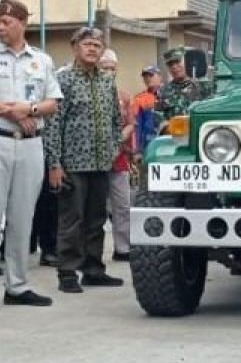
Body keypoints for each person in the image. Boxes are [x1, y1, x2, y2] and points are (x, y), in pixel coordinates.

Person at [0, 0, 62, 312]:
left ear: (23, 23)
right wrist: (14, 112)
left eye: (7, 22)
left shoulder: (41, 60)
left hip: (31, 144)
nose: (0, 27)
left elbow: (52, 102)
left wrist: (30, 110)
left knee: (23, 217)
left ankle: (18, 284)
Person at [44, 28, 124, 293]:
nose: (92, 49)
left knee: (97, 219)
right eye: (87, 44)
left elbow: (115, 120)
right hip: (73, 163)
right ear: (74, 47)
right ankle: (67, 271)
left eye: (97, 45)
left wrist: (113, 149)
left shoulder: (106, 80)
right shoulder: (63, 80)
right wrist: (54, 163)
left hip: (101, 162)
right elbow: (54, 124)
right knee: (71, 219)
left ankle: (93, 268)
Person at [97, 48, 136, 262]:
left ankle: (123, 248)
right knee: (95, 209)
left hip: (119, 158)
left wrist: (119, 138)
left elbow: (131, 124)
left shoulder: (124, 96)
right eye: (104, 68)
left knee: (122, 205)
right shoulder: (89, 92)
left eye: (112, 68)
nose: (108, 72)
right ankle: (92, 253)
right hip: (94, 160)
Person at [156, 47, 203, 123]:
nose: (174, 67)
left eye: (177, 62)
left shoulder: (203, 87)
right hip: (174, 133)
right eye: (170, 64)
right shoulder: (163, 92)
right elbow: (158, 118)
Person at [131, 65, 162, 155]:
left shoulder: (171, 93)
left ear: (160, 76)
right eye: (145, 77)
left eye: (151, 75)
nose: (147, 79)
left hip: (169, 140)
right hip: (149, 143)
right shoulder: (139, 98)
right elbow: (137, 126)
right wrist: (137, 151)